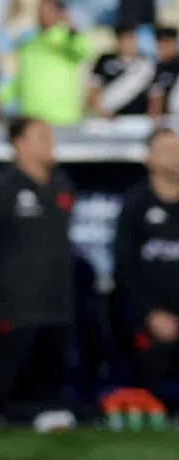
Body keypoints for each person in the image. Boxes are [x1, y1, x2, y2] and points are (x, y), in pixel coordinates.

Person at [0, 118, 76, 427]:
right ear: (20, 144)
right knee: (4, 375)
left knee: (49, 382)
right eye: (42, 136)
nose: (50, 142)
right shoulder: (1, 189)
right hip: (15, 305)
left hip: (57, 303)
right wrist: (13, 275)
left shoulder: (63, 186)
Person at [114, 127, 179, 408]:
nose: (175, 158)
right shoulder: (136, 205)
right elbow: (124, 268)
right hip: (149, 320)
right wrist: (151, 313)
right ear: (149, 159)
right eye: (167, 151)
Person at [0, 0, 93, 126]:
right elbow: (22, 79)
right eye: (40, 11)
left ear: (60, 13)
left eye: (49, 11)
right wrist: (1, 97)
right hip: (31, 118)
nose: (43, 15)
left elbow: (82, 50)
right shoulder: (29, 43)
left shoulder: (67, 39)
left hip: (62, 119)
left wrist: (71, 28)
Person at [88, 23, 157, 118]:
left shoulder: (146, 63)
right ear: (118, 40)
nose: (129, 43)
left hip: (138, 119)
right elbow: (94, 87)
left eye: (132, 38)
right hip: (109, 118)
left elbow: (154, 94)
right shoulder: (104, 60)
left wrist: (152, 115)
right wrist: (101, 111)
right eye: (125, 39)